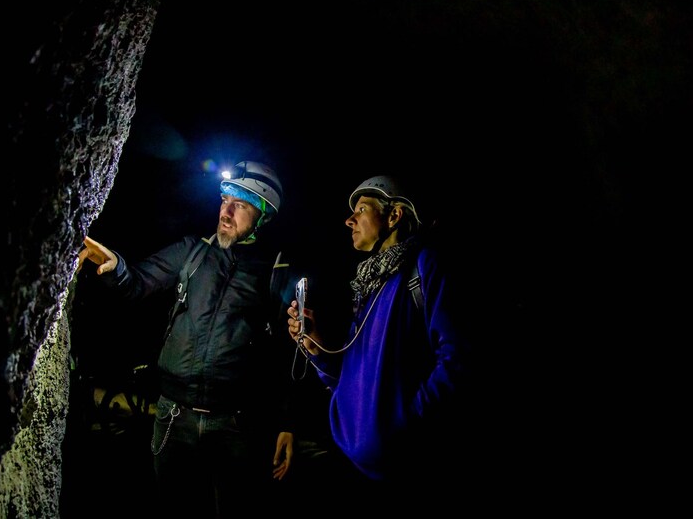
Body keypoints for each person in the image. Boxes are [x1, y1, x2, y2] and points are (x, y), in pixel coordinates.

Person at [77, 160, 296, 516]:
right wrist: (115, 264)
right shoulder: (192, 251)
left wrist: (288, 423)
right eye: (224, 199)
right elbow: (136, 284)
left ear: (263, 215)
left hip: (236, 425)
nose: (225, 211)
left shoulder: (275, 272)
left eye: (239, 204)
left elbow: (286, 352)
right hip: (173, 416)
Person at [285, 175, 471, 492]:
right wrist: (317, 347)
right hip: (352, 462)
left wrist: (403, 423)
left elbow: (458, 360)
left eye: (361, 209)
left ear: (394, 215)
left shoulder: (423, 266)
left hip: (406, 467)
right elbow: (346, 380)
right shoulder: (368, 286)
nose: (349, 220)